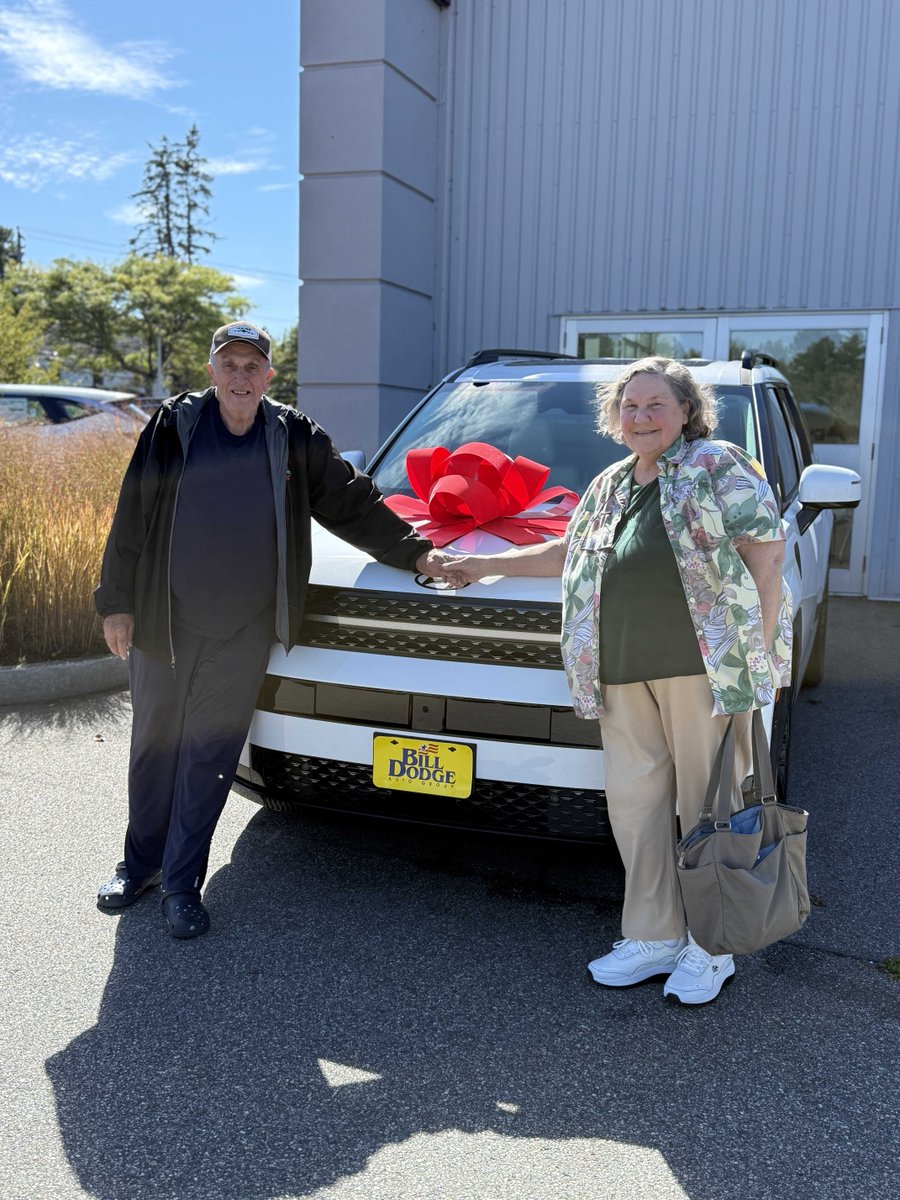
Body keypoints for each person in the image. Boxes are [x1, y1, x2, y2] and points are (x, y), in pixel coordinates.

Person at [438, 357, 792, 1005]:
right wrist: (477, 566)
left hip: (705, 670)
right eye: (630, 406)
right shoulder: (610, 484)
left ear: (686, 411)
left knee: (709, 809)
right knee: (636, 809)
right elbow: (566, 552)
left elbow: (767, 559)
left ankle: (712, 946)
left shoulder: (719, 464)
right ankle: (654, 935)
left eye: (656, 404)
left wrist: (759, 661)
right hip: (621, 673)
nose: (641, 416)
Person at [95, 321, 449, 939]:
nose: (240, 376)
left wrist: (416, 553)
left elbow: (352, 503)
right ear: (211, 371)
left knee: (208, 757)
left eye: (251, 366)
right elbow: (133, 511)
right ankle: (141, 865)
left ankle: (181, 885)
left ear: (269, 375)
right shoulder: (174, 426)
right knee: (154, 747)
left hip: (245, 628)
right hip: (163, 620)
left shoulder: (293, 436)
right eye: (228, 364)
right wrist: (115, 603)